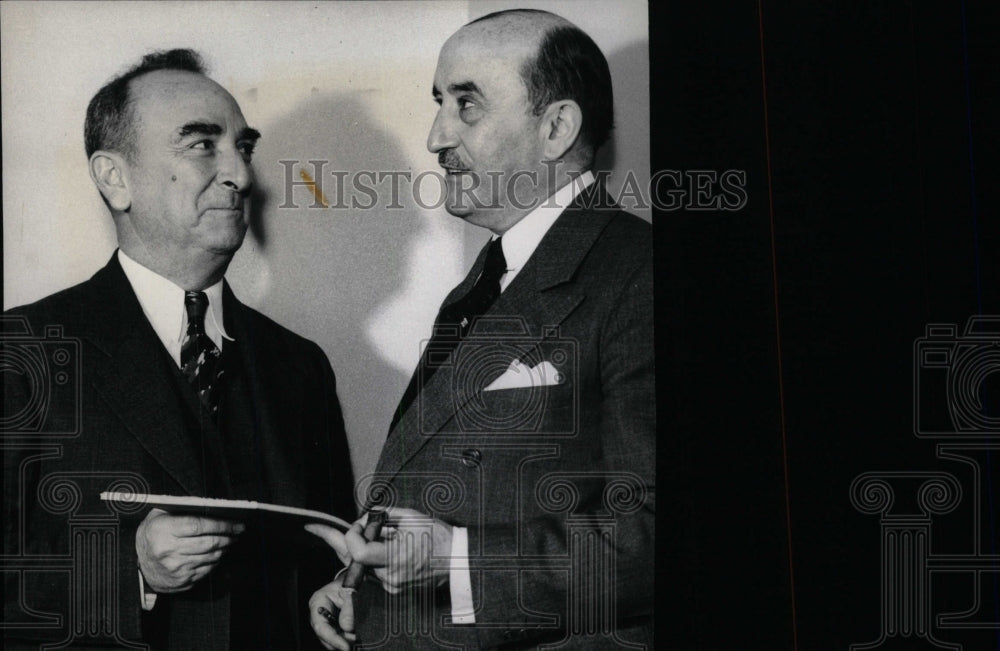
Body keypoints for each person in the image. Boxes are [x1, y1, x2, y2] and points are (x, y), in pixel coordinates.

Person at [308, 9, 654, 650]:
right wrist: (360, 584)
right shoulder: (485, 284)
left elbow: (657, 537)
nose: (437, 135)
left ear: (556, 128)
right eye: (440, 103)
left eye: (467, 105)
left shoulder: (638, 275)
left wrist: (456, 560)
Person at [2, 49, 355, 650]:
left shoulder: (301, 366)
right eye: (201, 145)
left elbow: (330, 561)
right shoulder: (22, 352)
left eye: (243, 147)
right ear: (115, 178)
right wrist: (128, 567)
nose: (242, 176)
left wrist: (344, 590)